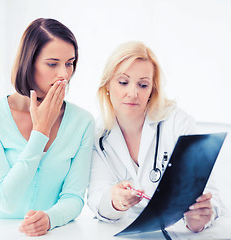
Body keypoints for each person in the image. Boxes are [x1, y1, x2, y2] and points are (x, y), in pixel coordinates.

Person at [0, 18, 94, 236]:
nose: (64, 75)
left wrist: (50, 218)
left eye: (69, 63)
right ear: (28, 63)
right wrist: (40, 132)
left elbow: (74, 197)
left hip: (50, 233)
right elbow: (5, 200)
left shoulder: (82, 121)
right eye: (52, 63)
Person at [87, 41, 222, 232]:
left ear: (152, 89)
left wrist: (200, 217)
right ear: (108, 83)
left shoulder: (177, 123)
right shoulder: (98, 135)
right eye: (123, 82)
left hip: (178, 231)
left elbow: (209, 192)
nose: (133, 93)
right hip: (125, 230)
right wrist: (115, 201)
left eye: (143, 85)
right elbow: (96, 197)